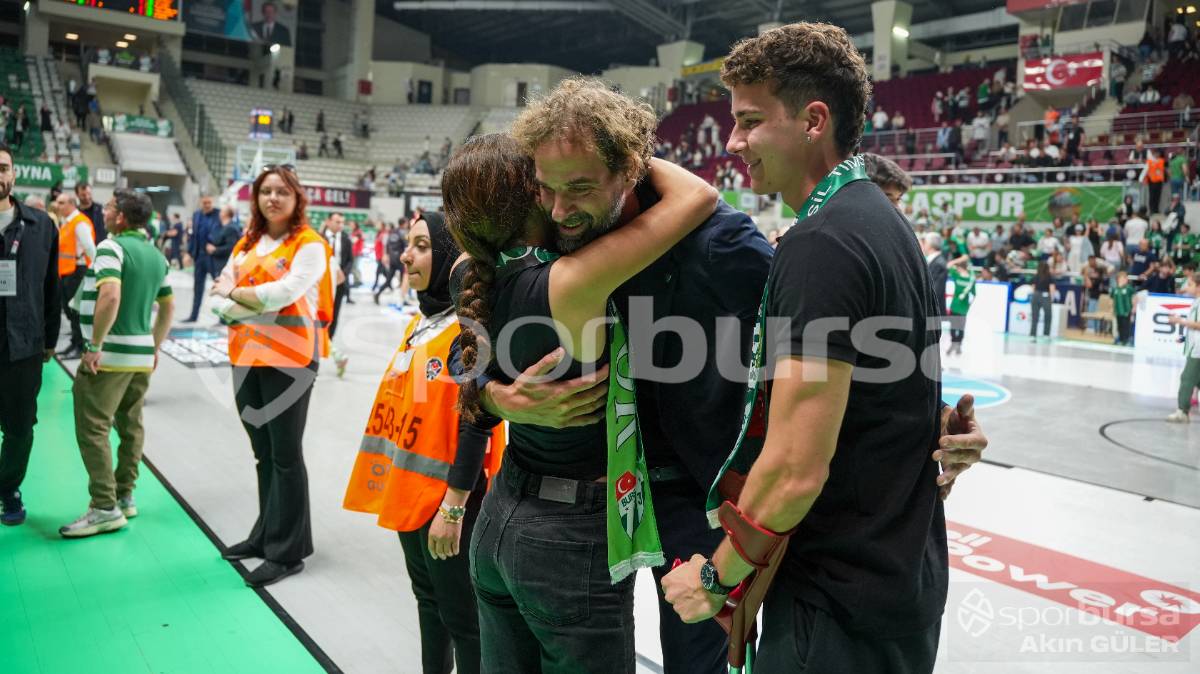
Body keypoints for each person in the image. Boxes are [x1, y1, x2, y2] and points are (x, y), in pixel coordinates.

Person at [474, 77, 988, 674]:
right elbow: (474, 321)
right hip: (595, 497)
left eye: (582, 188)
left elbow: (833, 335)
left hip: (697, 495)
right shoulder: (557, 229)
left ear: (631, 172)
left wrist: (932, 423)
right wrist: (495, 398)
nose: (561, 208)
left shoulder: (720, 244)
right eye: (549, 190)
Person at [660, 23, 975, 672]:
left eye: (750, 121)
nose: (734, 141)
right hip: (900, 582)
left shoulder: (822, 243)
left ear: (813, 120)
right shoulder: (886, 226)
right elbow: (887, 402)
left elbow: (796, 468)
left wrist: (715, 583)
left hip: (834, 604)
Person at [448, 130, 720, 672]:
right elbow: (698, 197)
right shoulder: (570, 281)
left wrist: (496, 400)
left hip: (500, 517)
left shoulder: (466, 276)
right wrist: (620, 155)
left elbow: (461, 364)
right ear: (533, 193)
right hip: (568, 537)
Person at [343, 213, 506, 674]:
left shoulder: (468, 330)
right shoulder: (423, 325)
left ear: (450, 257)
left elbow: (478, 423)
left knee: (464, 619)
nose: (405, 255)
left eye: (420, 245)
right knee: (428, 604)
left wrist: (453, 508)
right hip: (410, 495)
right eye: (406, 245)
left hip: (450, 504)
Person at [208, 166, 334, 588]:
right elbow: (219, 295)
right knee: (263, 453)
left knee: (285, 454)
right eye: (266, 191)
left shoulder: (309, 245)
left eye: (282, 191)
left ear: (297, 198)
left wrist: (236, 296)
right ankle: (265, 534)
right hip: (245, 357)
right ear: (256, 198)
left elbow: (283, 293)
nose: (273, 198)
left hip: (290, 363)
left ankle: (289, 550)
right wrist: (243, 298)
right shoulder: (247, 242)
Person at [59, 190, 174, 538]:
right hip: (140, 357)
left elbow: (110, 295)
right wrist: (153, 346)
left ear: (121, 217)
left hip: (109, 356)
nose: (104, 212)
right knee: (131, 424)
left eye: (109, 207)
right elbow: (168, 308)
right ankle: (125, 495)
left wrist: (94, 344)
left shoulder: (112, 247)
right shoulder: (156, 255)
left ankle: (104, 506)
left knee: (93, 426)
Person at [0, 143, 60, 526]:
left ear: (13, 174)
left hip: (22, 347)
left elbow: (51, 288)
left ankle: (8, 488)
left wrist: (50, 340)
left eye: (3, 167)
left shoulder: (41, 227)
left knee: (20, 427)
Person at [54, 192, 97, 360]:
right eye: (58, 202)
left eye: (62, 202)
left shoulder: (79, 223)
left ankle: (80, 346)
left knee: (76, 311)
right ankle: (74, 342)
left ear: (72, 203)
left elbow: (90, 248)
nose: (58, 205)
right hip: (67, 272)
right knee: (69, 310)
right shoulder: (68, 223)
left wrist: (95, 270)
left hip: (77, 272)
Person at [322, 212, 353, 376]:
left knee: (334, 314)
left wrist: (343, 274)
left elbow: (350, 261)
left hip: (340, 284)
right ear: (328, 222)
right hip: (321, 285)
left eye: (342, 222)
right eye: (337, 221)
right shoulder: (318, 238)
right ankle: (326, 345)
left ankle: (329, 340)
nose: (340, 224)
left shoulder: (346, 239)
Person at [1166, 280, 1199, 423]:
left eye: (1190, 285)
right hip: (1194, 346)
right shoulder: (1196, 301)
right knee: (1196, 380)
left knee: (1187, 378)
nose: (1187, 287)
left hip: (1198, 349)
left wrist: (1180, 321)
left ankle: (1182, 412)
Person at [184, 194, 221, 322]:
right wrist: (189, 253)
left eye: (209, 202)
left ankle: (223, 318)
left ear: (213, 202)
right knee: (197, 287)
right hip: (199, 256)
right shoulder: (196, 215)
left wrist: (218, 247)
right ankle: (193, 316)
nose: (207, 205)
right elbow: (193, 235)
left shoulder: (219, 215)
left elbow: (225, 232)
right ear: (201, 202)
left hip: (213, 257)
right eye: (204, 203)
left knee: (219, 287)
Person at [947, 256, 976, 356]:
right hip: (963, 307)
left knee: (953, 326)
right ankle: (958, 345)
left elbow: (949, 265)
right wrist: (969, 305)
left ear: (960, 268)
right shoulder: (971, 279)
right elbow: (974, 294)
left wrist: (958, 259)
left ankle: (954, 344)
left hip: (955, 305)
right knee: (961, 327)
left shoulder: (957, 276)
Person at [207, 205, 242, 276]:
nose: (219, 213)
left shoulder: (231, 228)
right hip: (219, 264)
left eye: (221, 211)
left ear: (225, 214)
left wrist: (215, 250)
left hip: (224, 265)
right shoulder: (223, 227)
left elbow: (231, 247)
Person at [923, 232, 949, 317]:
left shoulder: (939, 264)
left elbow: (935, 291)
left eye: (925, 243)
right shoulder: (934, 261)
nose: (923, 246)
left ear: (930, 245)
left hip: (933, 313)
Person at [1030, 260, 1056, 340]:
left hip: (1036, 295)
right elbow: (1052, 288)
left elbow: (1033, 288)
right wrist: (1052, 298)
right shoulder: (1049, 276)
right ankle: (1046, 334)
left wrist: (1034, 295)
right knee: (1048, 316)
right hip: (1045, 296)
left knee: (1035, 316)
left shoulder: (1036, 276)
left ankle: (1033, 335)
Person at [1083, 256, 1107, 333]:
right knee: (1094, 312)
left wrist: (1086, 276)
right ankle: (1096, 328)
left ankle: (1091, 327)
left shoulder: (1098, 279)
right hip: (1097, 297)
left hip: (1096, 297)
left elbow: (1089, 285)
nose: (1093, 274)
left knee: (1092, 312)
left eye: (1094, 272)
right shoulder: (1099, 278)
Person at [1110, 270, 1135, 346]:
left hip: (1126, 311)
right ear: (1118, 279)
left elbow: (1134, 297)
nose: (1125, 280)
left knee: (1126, 326)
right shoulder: (1115, 289)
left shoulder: (1129, 288)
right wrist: (1111, 308)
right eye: (1123, 278)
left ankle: (1126, 340)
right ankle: (1120, 340)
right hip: (1118, 311)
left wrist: (1134, 307)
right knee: (1119, 326)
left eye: (1126, 278)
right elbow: (1112, 299)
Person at [1144, 149, 1166, 215]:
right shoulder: (1149, 161)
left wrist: (1154, 163)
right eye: (1155, 153)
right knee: (1152, 196)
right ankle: (1151, 210)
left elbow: (1160, 167)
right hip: (1152, 181)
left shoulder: (1161, 160)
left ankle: (1156, 209)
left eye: (1158, 153)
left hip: (1159, 181)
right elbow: (1146, 170)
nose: (1157, 155)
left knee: (1158, 196)